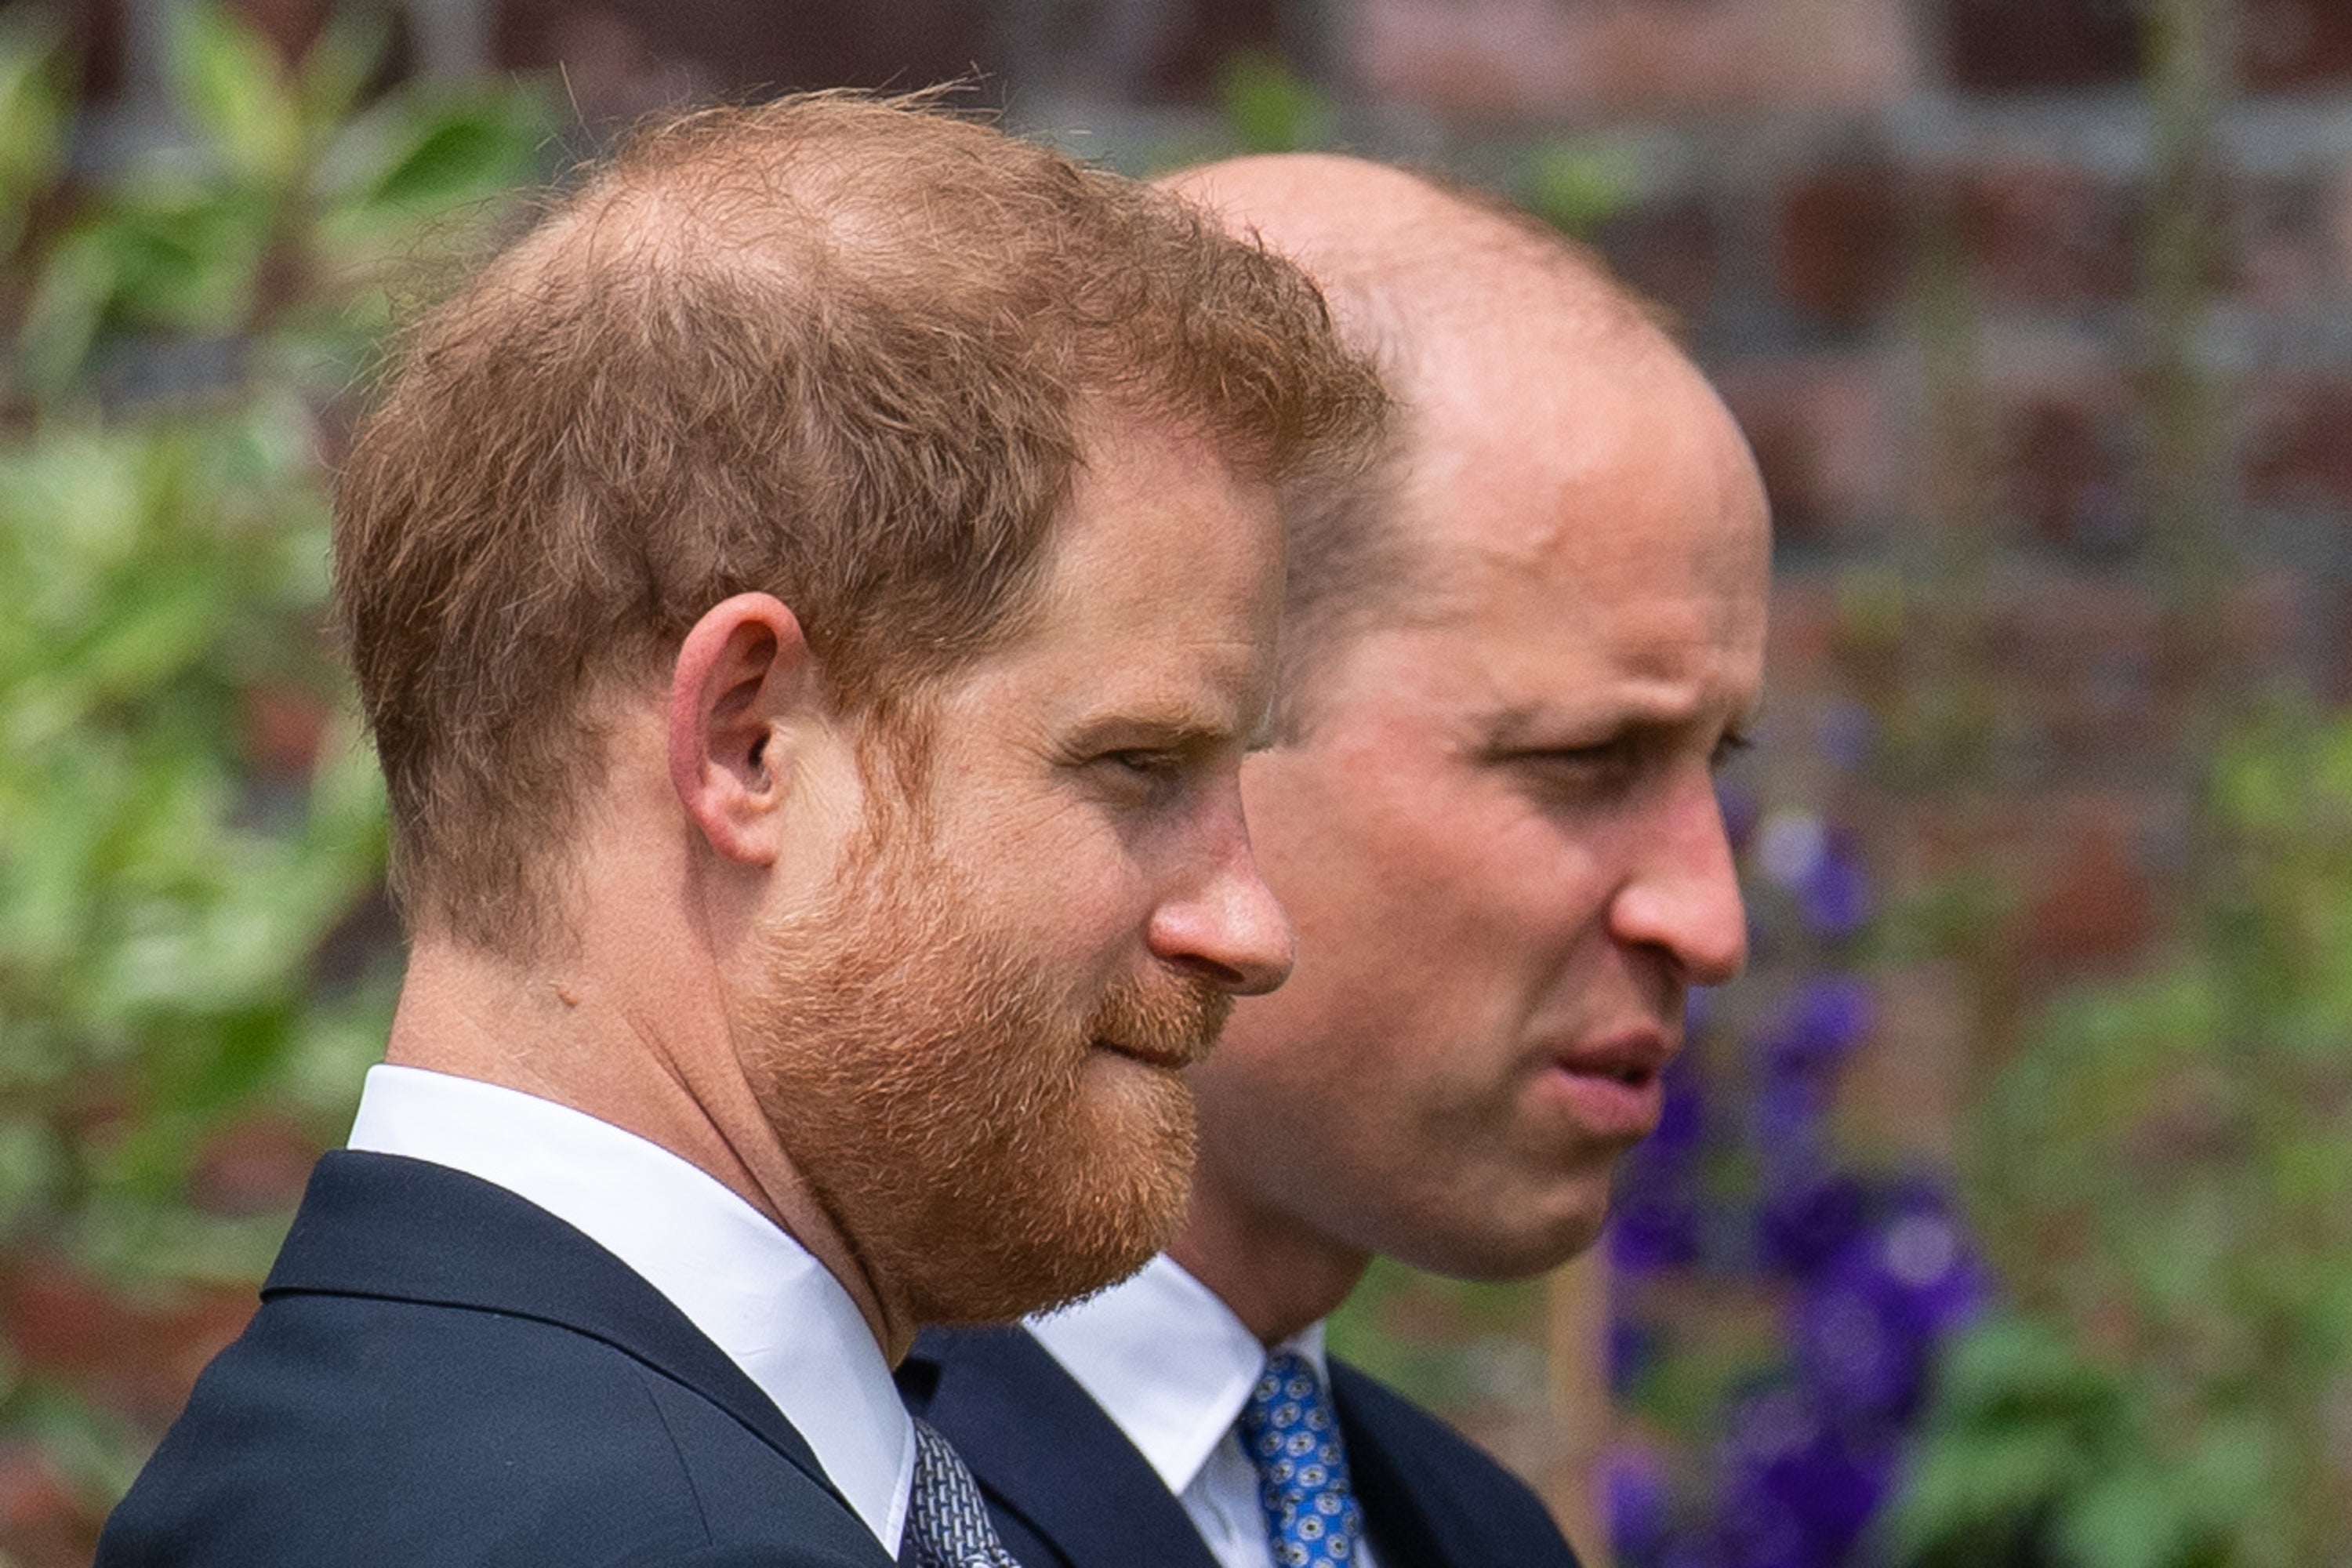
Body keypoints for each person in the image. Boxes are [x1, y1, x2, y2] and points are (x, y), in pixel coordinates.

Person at [96, 100, 1382, 1568]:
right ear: (747, 741)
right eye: (1139, 766)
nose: (1251, 926)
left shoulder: (417, 1459)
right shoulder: (589, 1534)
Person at [901, 154, 1772, 1568]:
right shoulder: (807, 1489)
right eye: (1582, 762)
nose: (1709, 918)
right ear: (1177, 715)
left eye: (1715, 764)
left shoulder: (1469, 1531)